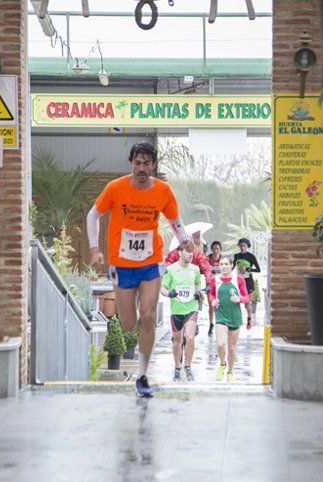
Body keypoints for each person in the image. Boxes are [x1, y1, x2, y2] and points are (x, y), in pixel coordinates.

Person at [87, 142, 191, 398]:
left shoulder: (163, 191)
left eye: (146, 163)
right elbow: (93, 216)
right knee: (128, 322)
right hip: (122, 265)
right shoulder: (115, 188)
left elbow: (174, 220)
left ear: (153, 165)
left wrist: (184, 238)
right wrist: (94, 250)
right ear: (131, 163)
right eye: (137, 163)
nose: (141, 168)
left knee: (147, 316)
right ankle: (130, 314)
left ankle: (143, 375)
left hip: (151, 262)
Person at [160, 244, 205, 382]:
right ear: (180, 253)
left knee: (190, 337)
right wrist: (169, 293)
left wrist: (198, 292)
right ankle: (177, 368)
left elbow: (197, 284)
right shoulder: (171, 269)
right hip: (176, 310)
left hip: (191, 308)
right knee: (177, 341)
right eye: (188, 252)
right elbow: (163, 288)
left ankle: (188, 366)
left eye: (193, 252)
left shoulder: (196, 269)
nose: (191, 255)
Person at [209, 256, 250, 383]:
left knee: (232, 348)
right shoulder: (214, 279)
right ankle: (222, 363)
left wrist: (240, 299)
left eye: (226, 264)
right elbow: (211, 294)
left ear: (231, 265)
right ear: (219, 266)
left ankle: (230, 372)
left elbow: (247, 297)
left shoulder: (239, 279)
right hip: (221, 315)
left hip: (235, 317)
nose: (224, 266)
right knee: (221, 343)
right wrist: (213, 301)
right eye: (222, 264)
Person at [233, 237, 261, 329]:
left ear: (247, 246)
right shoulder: (236, 256)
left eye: (244, 246)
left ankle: (249, 319)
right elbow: (232, 267)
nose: (242, 247)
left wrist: (247, 269)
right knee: (235, 301)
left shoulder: (251, 256)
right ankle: (237, 319)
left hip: (248, 281)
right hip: (239, 281)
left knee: (247, 303)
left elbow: (258, 269)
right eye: (241, 246)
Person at [206, 240, 224, 337]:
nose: (215, 251)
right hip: (210, 286)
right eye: (213, 248)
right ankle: (211, 325)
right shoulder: (207, 258)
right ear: (211, 249)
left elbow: (228, 270)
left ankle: (220, 324)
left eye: (217, 249)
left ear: (220, 250)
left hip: (221, 286)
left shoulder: (223, 260)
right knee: (211, 306)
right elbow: (202, 269)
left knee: (220, 305)